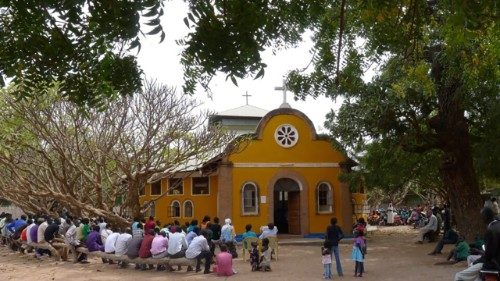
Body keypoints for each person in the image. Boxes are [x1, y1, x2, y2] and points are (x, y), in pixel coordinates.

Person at [454, 207, 500, 281]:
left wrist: (476, 261)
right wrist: (478, 252)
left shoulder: (491, 230)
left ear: (485, 217)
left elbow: (488, 256)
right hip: (495, 259)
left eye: (481, 217)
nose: (481, 219)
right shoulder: (497, 225)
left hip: (494, 264)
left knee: (459, 276)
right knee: (471, 258)